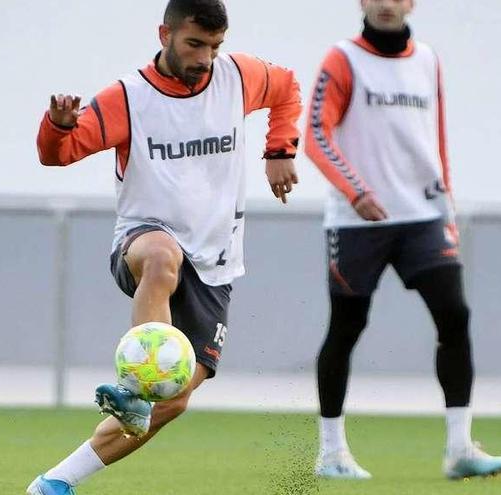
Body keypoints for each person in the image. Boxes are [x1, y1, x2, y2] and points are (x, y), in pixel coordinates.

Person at [27, 1, 301, 493]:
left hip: (215, 262)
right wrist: (59, 126)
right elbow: (58, 155)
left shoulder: (238, 77)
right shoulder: (128, 98)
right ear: (165, 34)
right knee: (160, 257)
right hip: (145, 240)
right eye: (195, 44)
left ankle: (55, 482)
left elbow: (287, 88)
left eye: (215, 47)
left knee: (172, 400)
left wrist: (280, 149)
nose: (205, 58)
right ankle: (133, 385)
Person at [304, 0, 501, 481]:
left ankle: (460, 448)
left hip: (422, 216)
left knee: (454, 315)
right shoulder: (343, 59)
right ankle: (331, 452)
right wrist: (354, 191)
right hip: (358, 222)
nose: (385, 4)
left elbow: (435, 139)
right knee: (348, 325)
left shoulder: (427, 60)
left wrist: (447, 208)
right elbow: (316, 133)